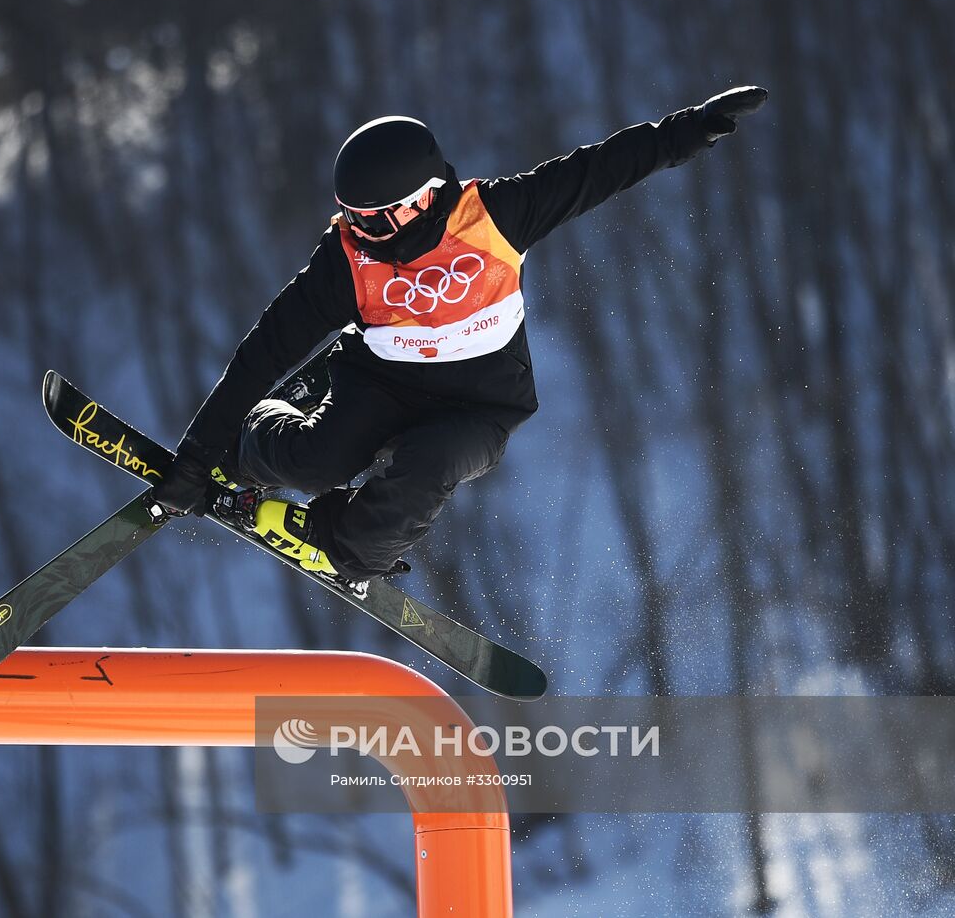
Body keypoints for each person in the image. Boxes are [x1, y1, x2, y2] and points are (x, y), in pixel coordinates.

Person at [151, 86, 769, 583]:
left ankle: (333, 539)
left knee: (418, 479)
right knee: (319, 461)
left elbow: (604, 168)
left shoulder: (495, 217)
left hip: (480, 408)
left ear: (422, 199)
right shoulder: (345, 261)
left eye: (375, 217)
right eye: (351, 216)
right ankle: (252, 443)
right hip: (380, 385)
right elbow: (264, 351)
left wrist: (697, 125)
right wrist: (200, 456)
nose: (360, 229)